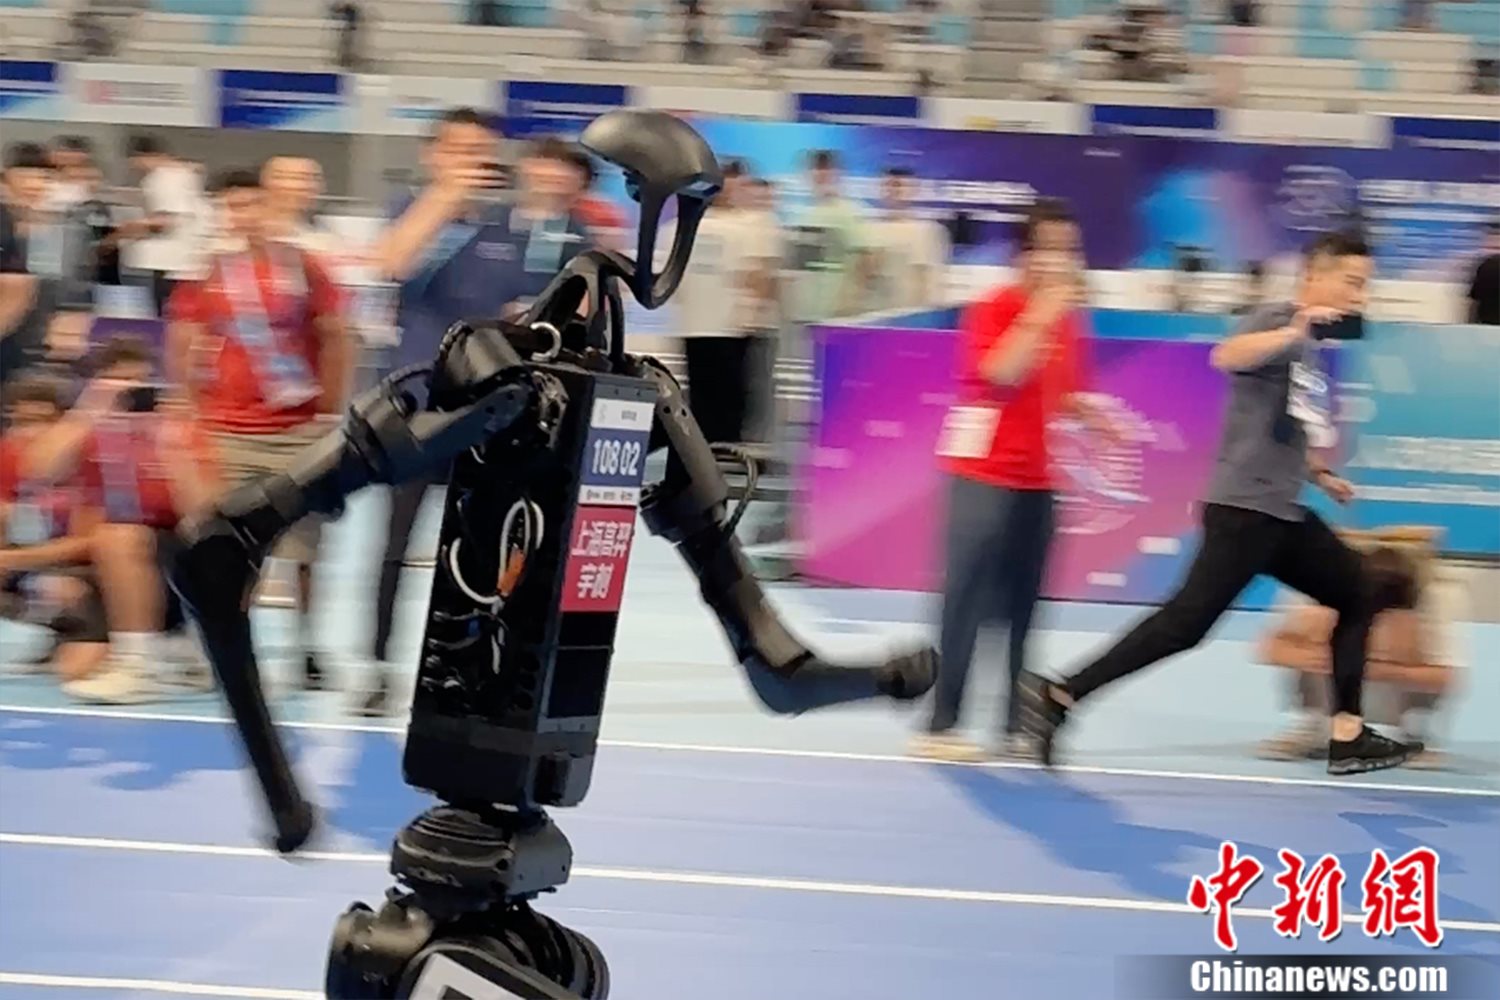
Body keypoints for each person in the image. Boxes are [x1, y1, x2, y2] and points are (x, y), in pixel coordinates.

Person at [1016, 231, 1423, 776]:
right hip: (1244, 514)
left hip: (1281, 512)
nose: (1359, 294)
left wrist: (1318, 473)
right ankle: (1058, 695)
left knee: (1359, 592)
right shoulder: (1277, 319)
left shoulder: (1310, 345)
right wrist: (1296, 329)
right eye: (1352, 282)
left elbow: (1279, 424)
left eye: (1365, 285)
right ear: (1314, 276)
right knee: (1184, 625)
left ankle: (1347, 735)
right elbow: (1226, 356)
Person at [363, 112, 589, 715]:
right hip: (417, 405)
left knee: (483, 551)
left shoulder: (510, 227)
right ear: (434, 154)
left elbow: (537, 312)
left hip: (488, 414)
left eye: (484, 153)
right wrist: (446, 197)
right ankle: (378, 667)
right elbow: (390, 263)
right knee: (394, 543)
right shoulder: (410, 210)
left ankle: (461, 669)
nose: (475, 162)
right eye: (461, 150)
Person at [913, 200, 1118, 762]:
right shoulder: (992, 309)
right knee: (966, 601)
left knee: (1025, 608)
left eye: (1069, 249)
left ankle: (1011, 725)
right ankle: (940, 724)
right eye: (1049, 248)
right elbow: (1001, 372)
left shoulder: (1070, 321)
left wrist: (1096, 417)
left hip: (1039, 480)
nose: (1061, 260)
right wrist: (1040, 315)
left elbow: (1067, 392)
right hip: (982, 476)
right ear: (1023, 254)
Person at [166, 169, 352, 695]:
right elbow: (183, 340)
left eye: (252, 205)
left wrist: (328, 414)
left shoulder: (305, 267)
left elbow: (337, 336)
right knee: (227, 550)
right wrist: (187, 408)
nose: (243, 215)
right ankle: (225, 653)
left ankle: (306, 650)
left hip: (298, 430)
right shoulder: (207, 273)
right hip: (228, 431)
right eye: (233, 206)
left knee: (305, 549)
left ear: (270, 208)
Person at [19, 337, 219, 702]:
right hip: (111, 564)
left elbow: (204, 515)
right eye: (119, 383)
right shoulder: (88, 433)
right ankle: (176, 653)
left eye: (140, 383)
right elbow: (38, 470)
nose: (131, 394)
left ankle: (142, 662)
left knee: (118, 536)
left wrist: (173, 445)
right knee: (74, 669)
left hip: (174, 556)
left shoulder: (182, 428)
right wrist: (89, 410)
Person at [0, 376, 109, 683]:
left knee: (75, 671)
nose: (30, 431)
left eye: (42, 421)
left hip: (87, 575)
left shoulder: (93, 461)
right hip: (30, 571)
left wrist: (10, 560)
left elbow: (89, 544)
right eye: (20, 421)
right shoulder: (8, 456)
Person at [118, 135, 207, 318]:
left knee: (159, 316)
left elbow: (166, 220)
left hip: (164, 262)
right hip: (185, 260)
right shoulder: (185, 175)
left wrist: (129, 229)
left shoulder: (162, 178)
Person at [1, 143, 60, 389]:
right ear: (7, 177)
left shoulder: (53, 230)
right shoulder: (4, 223)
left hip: (32, 343)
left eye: (43, 177)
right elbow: (14, 291)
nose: (34, 184)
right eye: (25, 175)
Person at [790, 149, 868, 324]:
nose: (821, 175)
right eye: (816, 169)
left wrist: (851, 297)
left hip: (837, 309)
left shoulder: (849, 211)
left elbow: (865, 257)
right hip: (807, 308)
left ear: (837, 174)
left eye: (826, 169)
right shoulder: (804, 214)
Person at [866, 166, 948, 312]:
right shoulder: (869, 230)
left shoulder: (926, 231)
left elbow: (929, 280)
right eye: (888, 185)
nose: (893, 191)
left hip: (908, 315)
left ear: (913, 190)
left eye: (898, 185)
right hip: (874, 313)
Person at [1466, 221, 1498, 326]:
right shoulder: (1487, 265)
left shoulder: (1487, 265)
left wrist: (1470, 326)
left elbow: (1475, 300)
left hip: (1487, 325)